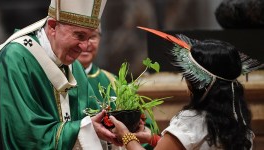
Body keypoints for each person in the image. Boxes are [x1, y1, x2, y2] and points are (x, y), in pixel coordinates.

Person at [0, 0, 122, 149]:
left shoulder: (74, 66)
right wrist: (82, 129)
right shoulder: (16, 60)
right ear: (53, 26)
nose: (85, 47)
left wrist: (110, 126)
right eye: (79, 36)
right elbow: (24, 135)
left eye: (90, 37)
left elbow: (90, 115)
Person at [108, 27, 264, 150]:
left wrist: (126, 135)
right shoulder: (238, 120)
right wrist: (152, 139)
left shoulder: (192, 121)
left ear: (195, 83)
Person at [77, 26, 116, 105]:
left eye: (92, 37)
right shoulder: (59, 78)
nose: (86, 45)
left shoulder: (112, 81)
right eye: (80, 36)